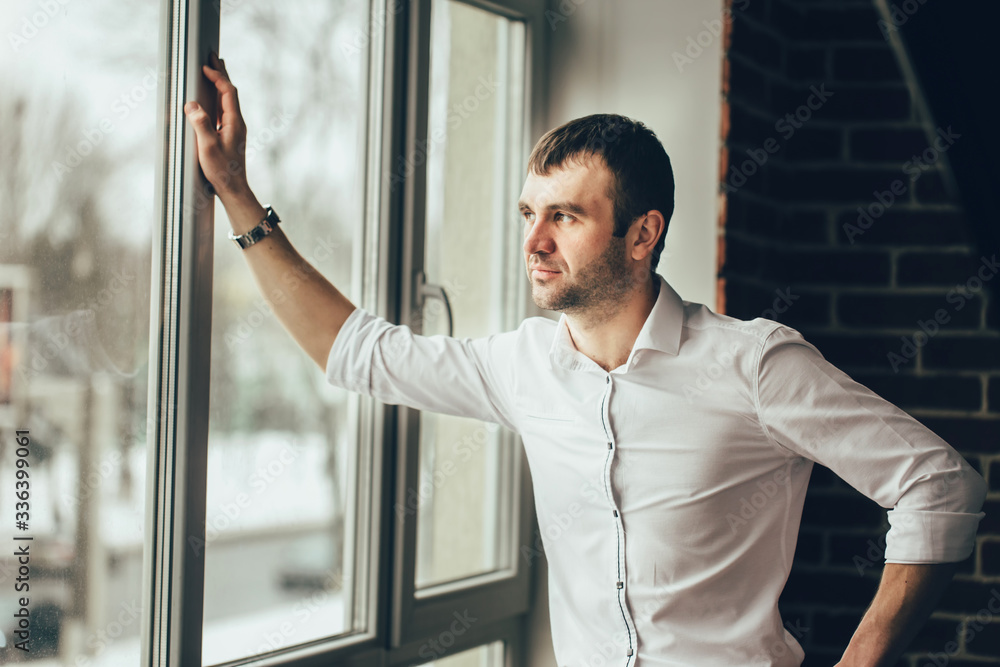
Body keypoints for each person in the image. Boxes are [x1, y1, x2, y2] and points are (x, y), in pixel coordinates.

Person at [184, 51, 987, 666]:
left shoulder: (755, 365)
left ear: (643, 233)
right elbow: (357, 351)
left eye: (564, 216)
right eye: (529, 213)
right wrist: (236, 194)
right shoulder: (522, 365)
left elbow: (939, 483)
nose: (534, 241)